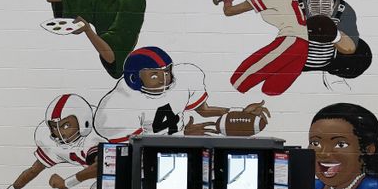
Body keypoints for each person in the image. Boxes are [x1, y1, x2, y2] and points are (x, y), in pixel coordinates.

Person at [93, 46, 268, 141]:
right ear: (134, 79)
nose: (164, 79)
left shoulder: (185, 77)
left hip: (182, 149)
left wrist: (237, 111)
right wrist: (183, 135)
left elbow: (204, 110)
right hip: (149, 161)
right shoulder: (116, 105)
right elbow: (135, 149)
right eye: (155, 75)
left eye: (167, 72)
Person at [220, 0, 342, 97]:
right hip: (302, 47)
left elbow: (229, 11)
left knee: (237, 81)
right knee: (270, 89)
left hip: (290, 41)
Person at [0, 94, 105, 189]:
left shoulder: (94, 135)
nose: (59, 133)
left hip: (120, 168)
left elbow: (101, 167)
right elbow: (34, 170)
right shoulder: (53, 142)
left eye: (65, 125)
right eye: (54, 126)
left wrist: (66, 183)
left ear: (83, 121)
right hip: (109, 174)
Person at [298, 0, 373, 81]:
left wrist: (334, 34)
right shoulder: (296, 8)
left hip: (333, 57)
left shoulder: (343, 9)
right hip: (299, 56)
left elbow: (350, 48)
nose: (321, 6)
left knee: (362, 51)